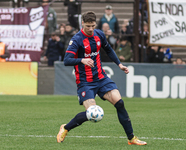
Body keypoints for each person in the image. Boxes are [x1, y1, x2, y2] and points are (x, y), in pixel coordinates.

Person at [57, 11, 147, 146]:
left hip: (101, 78)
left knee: (120, 103)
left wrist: (120, 64)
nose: (91, 29)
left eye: (93, 25)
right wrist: (82, 60)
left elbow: (109, 50)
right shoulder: (77, 39)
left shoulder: (99, 34)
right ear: (83, 24)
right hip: (85, 82)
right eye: (88, 26)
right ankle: (65, 128)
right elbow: (67, 60)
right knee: (92, 113)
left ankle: (131, 138)